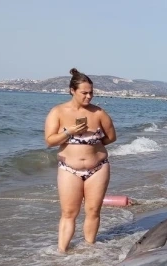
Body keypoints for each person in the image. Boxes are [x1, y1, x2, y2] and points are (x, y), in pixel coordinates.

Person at [44, 68, 117, 253]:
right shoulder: (58, 111)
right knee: (69, 213)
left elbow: (111, 137)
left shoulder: (98, 113)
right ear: (72, 91)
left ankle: (89, 252)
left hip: (98, 168)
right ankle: (61, 252)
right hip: (69, 169)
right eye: (84, 93)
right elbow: (49, 141)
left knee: (93, 211)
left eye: (91, 92)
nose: (89, 96)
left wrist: (93, 144)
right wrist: (70, 132)